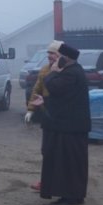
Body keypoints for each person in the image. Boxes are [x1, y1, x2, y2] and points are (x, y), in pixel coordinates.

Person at [28, 42, 91, 205]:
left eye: (58, 57)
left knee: (66, 162)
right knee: (69, 161)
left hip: (68, 128)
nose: (55, 60)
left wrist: (53, 72)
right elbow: (64, 99)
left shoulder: (70, 73)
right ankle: (73, 195)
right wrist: (45, 101)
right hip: (68, 126)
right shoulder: (73, 71)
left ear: (66, 58)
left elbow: (55, 87)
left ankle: (69, 196)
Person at [24, 40, 63, 192]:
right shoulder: (44, 70)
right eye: (48, 53)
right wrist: (31, 109)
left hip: (62, 117)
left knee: (60, 151)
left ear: (60, 55)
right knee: (46, 150)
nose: (49, 56)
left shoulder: (66, 72)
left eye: (52, 53)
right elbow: (36, 90)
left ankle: (60, 182)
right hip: (47, 115)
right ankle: (46, 181)